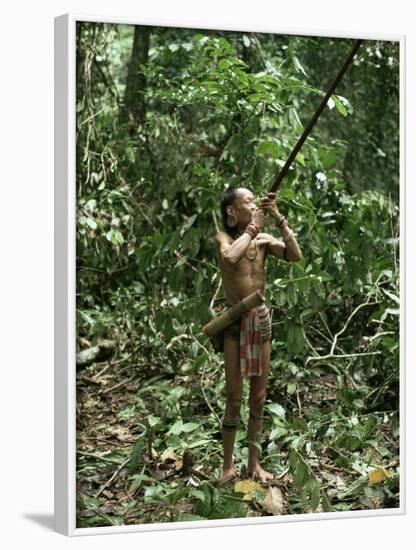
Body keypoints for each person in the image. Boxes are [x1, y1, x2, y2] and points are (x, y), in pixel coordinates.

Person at [213, 186, 302, 486]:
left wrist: (278, 218)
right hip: (235, 324)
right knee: (234, 396)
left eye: (255, 200)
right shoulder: (223, 238)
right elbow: (230, 258)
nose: (253, 204)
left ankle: (254, 464)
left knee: (259, 398)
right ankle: (227, 467)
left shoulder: (262, 240)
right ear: (231, 211)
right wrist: (254, 227)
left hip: (260, 321)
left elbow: (295, 255)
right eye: (247, 201)